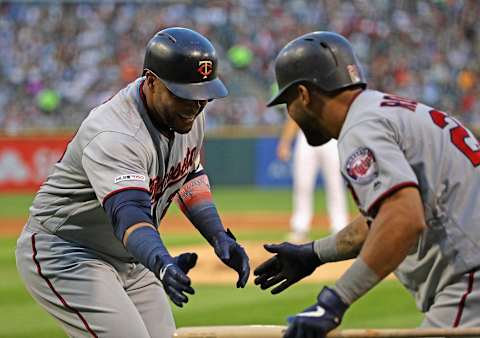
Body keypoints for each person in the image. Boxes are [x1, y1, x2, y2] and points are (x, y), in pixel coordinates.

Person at [16, 27, 250, 338]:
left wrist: (218, 235)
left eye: (203, 95)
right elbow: (130, 215)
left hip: (130, 256)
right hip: (69, 250)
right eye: (185, 94)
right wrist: (162, 262)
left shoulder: (189, 113)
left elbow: (188, 175)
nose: (196, 104)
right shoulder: (115, 133)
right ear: (151, 81)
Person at [254, 31, 480, 338]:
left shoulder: (360, 128)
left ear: (304, 95)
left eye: (287, 103)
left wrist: (334, 302)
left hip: (471, 283)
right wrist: (314, 253)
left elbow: (403, 218)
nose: (290, 113)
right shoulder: (386, 110)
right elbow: (384, 218)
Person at [277, 115, 348, 240]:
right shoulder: (301, 95)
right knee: (302, 185)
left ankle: (340, 227)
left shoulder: (333, 94)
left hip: (331, 136)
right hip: (306, 136)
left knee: (335, 185)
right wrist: (285, 141)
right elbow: (294, 116)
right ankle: (300, 228)